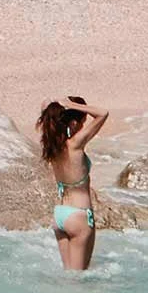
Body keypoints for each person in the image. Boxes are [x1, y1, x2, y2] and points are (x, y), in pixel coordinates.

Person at [35, 96, 107, 271]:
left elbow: (46, 109)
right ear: (74, 123)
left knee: (68, 275)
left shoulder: (52, 147)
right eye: (82, 122)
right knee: (78, 279)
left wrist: (60, 106)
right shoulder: (74, 145)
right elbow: (103, 114)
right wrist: (71, 105)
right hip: (79, 216)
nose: (83, 127)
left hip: (60, 215)